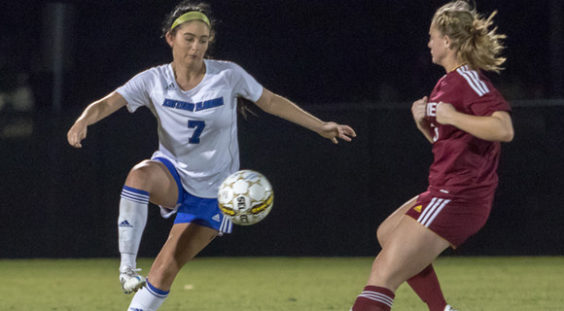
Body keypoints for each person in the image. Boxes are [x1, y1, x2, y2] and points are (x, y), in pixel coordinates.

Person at [67, 1, 356, 310]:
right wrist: (84, 120)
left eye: (203, 40)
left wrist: (320, 126)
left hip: (217, 191)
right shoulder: (153, 80)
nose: (196, 46)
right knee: (140, 174)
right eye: (189, 38)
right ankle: (126, 267)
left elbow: (270, 101)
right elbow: (108, 102)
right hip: (174, 174)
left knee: (165, 269)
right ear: (171, 38)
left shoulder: (227, 75)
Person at [350, 1, 513, 311]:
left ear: (447, 41)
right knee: (386, 233)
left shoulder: (469, 79)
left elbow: (503, 128)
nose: (429, 43)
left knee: (382, 275)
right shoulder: (446, 82)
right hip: (446, 190)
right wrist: (424, 125)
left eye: (432, 36)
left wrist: (451, 117)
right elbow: (452, 143)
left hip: (458, 195)